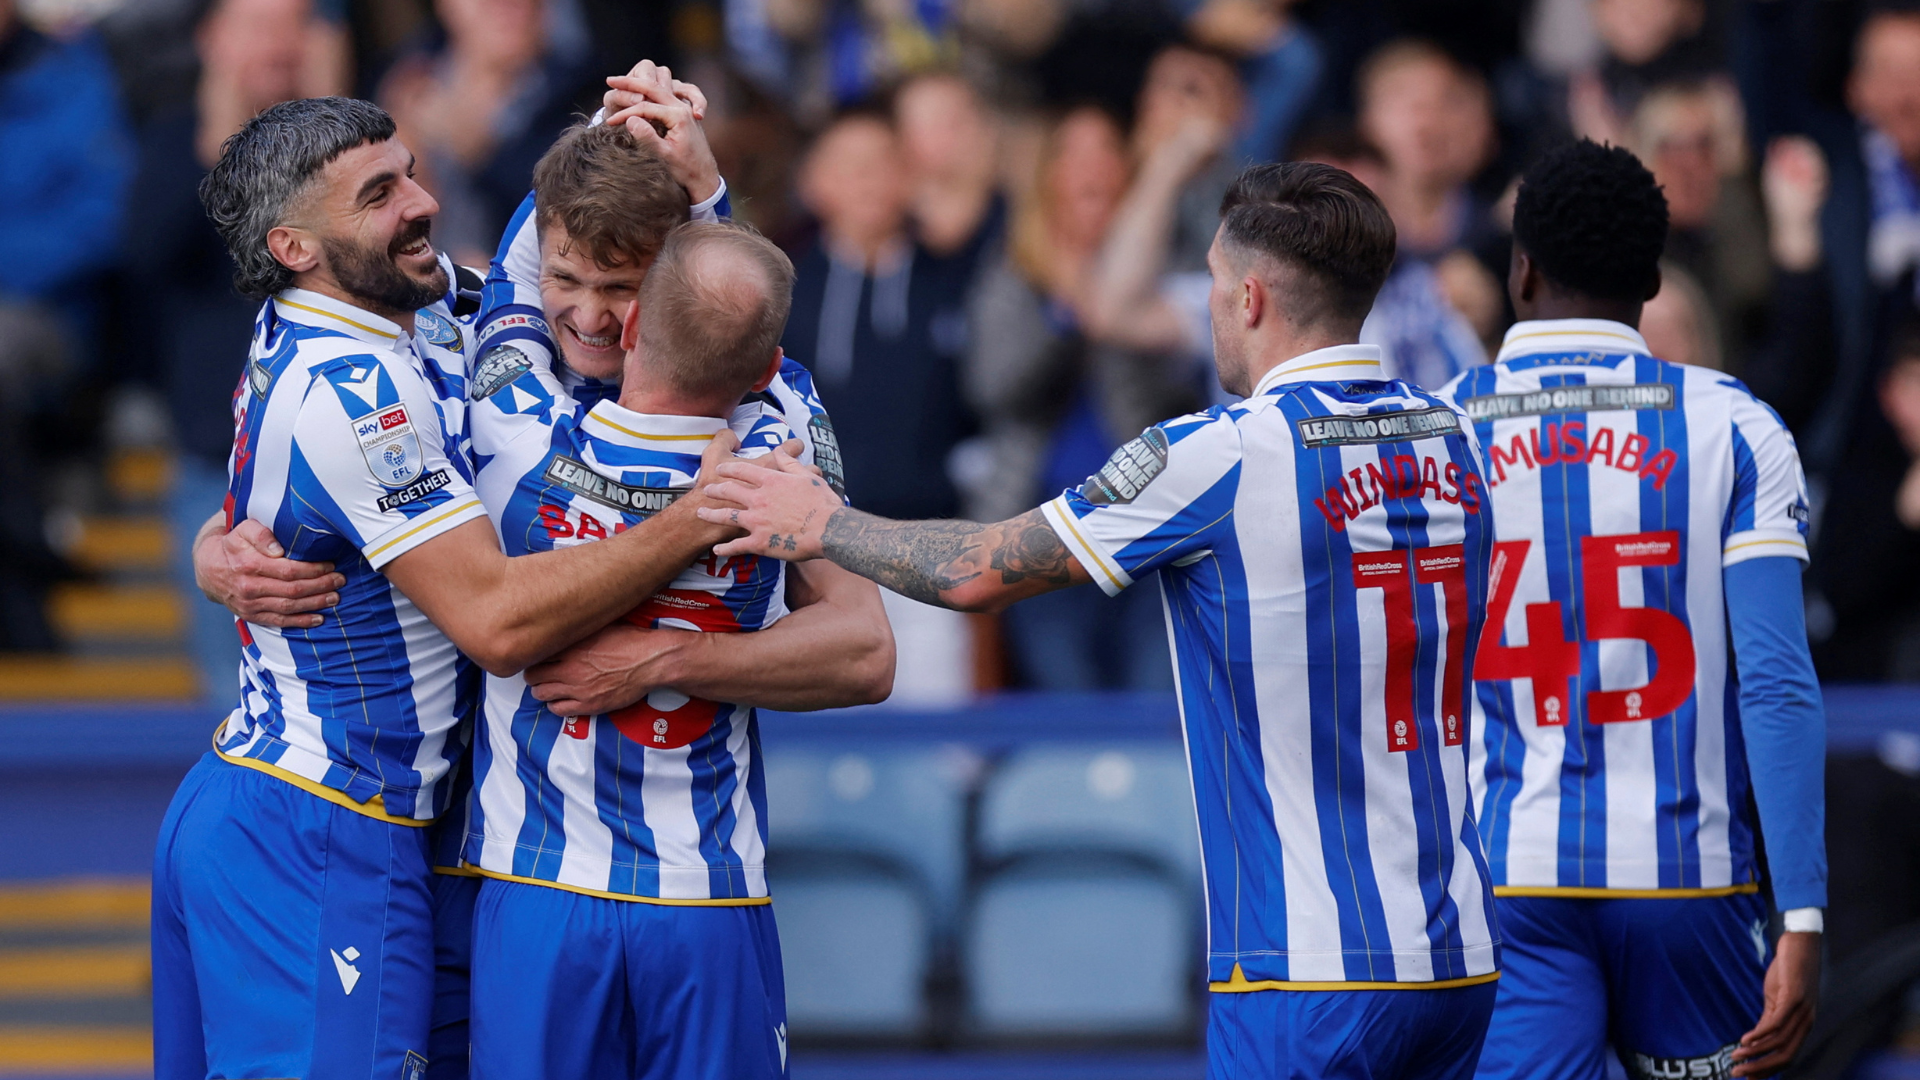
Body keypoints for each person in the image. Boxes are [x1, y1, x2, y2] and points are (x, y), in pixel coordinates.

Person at [702, 161, 1505, 1079]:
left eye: (1208, 281)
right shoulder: (1457, 434)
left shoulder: (1221, 453)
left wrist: (822, 524)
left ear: (1248, 298)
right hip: (1461, 956)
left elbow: (975, 572)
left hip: (1306, 971)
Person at [150, 95, 789, 1080]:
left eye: (409, 171)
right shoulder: (356, 390)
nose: (422, 202)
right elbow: (494, 620)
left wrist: (661, 147)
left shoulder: (407, 302)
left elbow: (581, 250)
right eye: (379, 194)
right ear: (293, 244)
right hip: (322, 825)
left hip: (369, 830)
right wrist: (693, 519)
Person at [1437, 140, 1825, 1080]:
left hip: (1506, 876)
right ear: (1654, 280)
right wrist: (1803, 914)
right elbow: (1775, 681)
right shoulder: (1734, 424)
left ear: (1520, 268)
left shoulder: (1435, 429)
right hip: (1685, 879)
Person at [464, 220, 803, 1077]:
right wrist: (708, 192)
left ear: (634, 326)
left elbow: (511, 283)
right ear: (762, 369)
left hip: (542, 890)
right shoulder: (778, 471)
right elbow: (776, 363)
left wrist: (598, 138)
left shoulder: (518, 438)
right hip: (708, 893)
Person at [125, 0, 344, 704]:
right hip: (217, 465)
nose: (277, 43)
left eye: (293, 24)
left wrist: (329, 120)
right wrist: (220, 137)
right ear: (209, 42)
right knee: (238, 700)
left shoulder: (360, 156)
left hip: (346, 458)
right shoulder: (173, 142)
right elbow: (147, 255)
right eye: (257, 24)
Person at [783, 108, 978, 702]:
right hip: (815, 561)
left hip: (931, 553)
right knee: (828, 758)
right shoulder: (779, 286)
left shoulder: (958, 278)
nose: (870, 180)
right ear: (814, 181)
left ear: (909, 177)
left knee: (941, 747)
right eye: (851, 165)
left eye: (883, 164)